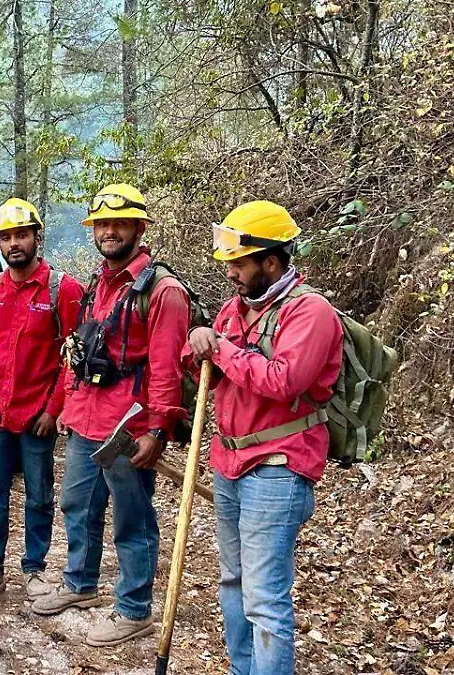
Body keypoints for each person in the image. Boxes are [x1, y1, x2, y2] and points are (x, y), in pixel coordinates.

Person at [31, 184, 191, 647]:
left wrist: (159, 429)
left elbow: (164, 366)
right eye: (102, 224)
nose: (109, 231)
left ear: (140, 229)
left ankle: (134, 608)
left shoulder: (163, 292)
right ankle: (80, 584)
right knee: (77, 505)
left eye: (120, 224)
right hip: (86, 417)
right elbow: (78, 352)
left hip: (129, 425)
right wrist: (66, 402)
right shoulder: (97, 284)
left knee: (132, 517)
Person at [186, 200, 341, 675]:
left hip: (278, 469)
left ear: (270, 262)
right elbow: (214, 377)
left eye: (239, 263)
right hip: (229, 464)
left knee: (265, 598)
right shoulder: (235, 310)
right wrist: (198, 349)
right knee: (232, 583)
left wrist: (223, 348)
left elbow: (283, 381)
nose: (230, 273)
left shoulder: (311, 313)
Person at [0, 198, 83, 602]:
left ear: (36, 237)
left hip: (37, 415)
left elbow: (72, 358)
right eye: (7, 237)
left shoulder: (62, 289)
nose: (14, 243)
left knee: (39, 493)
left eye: (22, 235)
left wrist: (54, 409)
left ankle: (34, 569)